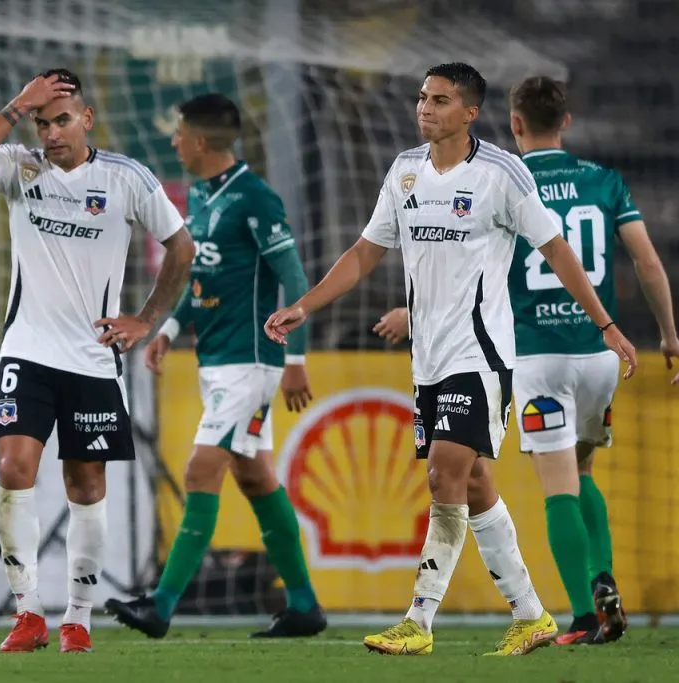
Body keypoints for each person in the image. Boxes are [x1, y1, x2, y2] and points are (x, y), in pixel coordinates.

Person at [265, 62, 638, 656]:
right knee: (476, 483)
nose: (424, 108)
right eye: (421, 97)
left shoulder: (502, 173)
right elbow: (365, 253)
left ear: (470, 112)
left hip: (481, 355)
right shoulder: (405, 170)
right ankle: (534, 615)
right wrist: (304, 306)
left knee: (442, 474)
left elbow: (557, 249)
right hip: (429, 361)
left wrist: (608, 324)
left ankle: (418, 620)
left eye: (439, 100)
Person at [374, 76, 678, 645]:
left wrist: (410, 313)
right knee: (581, 471)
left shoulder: (501, 177)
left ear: (513, 124)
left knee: (556, 483)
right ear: (565, 121)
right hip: (598, 356)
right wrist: (664, 333)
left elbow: (473, 275)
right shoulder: (604, 182)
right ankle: (594, 579)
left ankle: (584, 616)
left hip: (536, 360)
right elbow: (649, 262)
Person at [0, 69, 194, 654]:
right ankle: (27, 612)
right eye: (43, 121)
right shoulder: (20, 166)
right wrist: (17, 105)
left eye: (62, 119)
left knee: (86, 484)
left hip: (93, 359)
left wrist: (147, 319)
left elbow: (182, 247)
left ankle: (77, 617)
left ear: (87, 120)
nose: (52, 132)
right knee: (13, 467)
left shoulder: (127, 179)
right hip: (27, 351)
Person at [104, 94, 326, 639]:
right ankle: (303, 606)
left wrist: (296, 358)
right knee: (254, 477)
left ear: (200, 141)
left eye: (178, 133)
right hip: (219, 360)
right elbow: (202, 280)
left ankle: (161, 606)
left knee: (201, 471)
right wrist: (170, 331)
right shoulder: (202, 195)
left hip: (253, 361)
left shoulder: (255, 198)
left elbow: (294, 280)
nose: (174, 141)